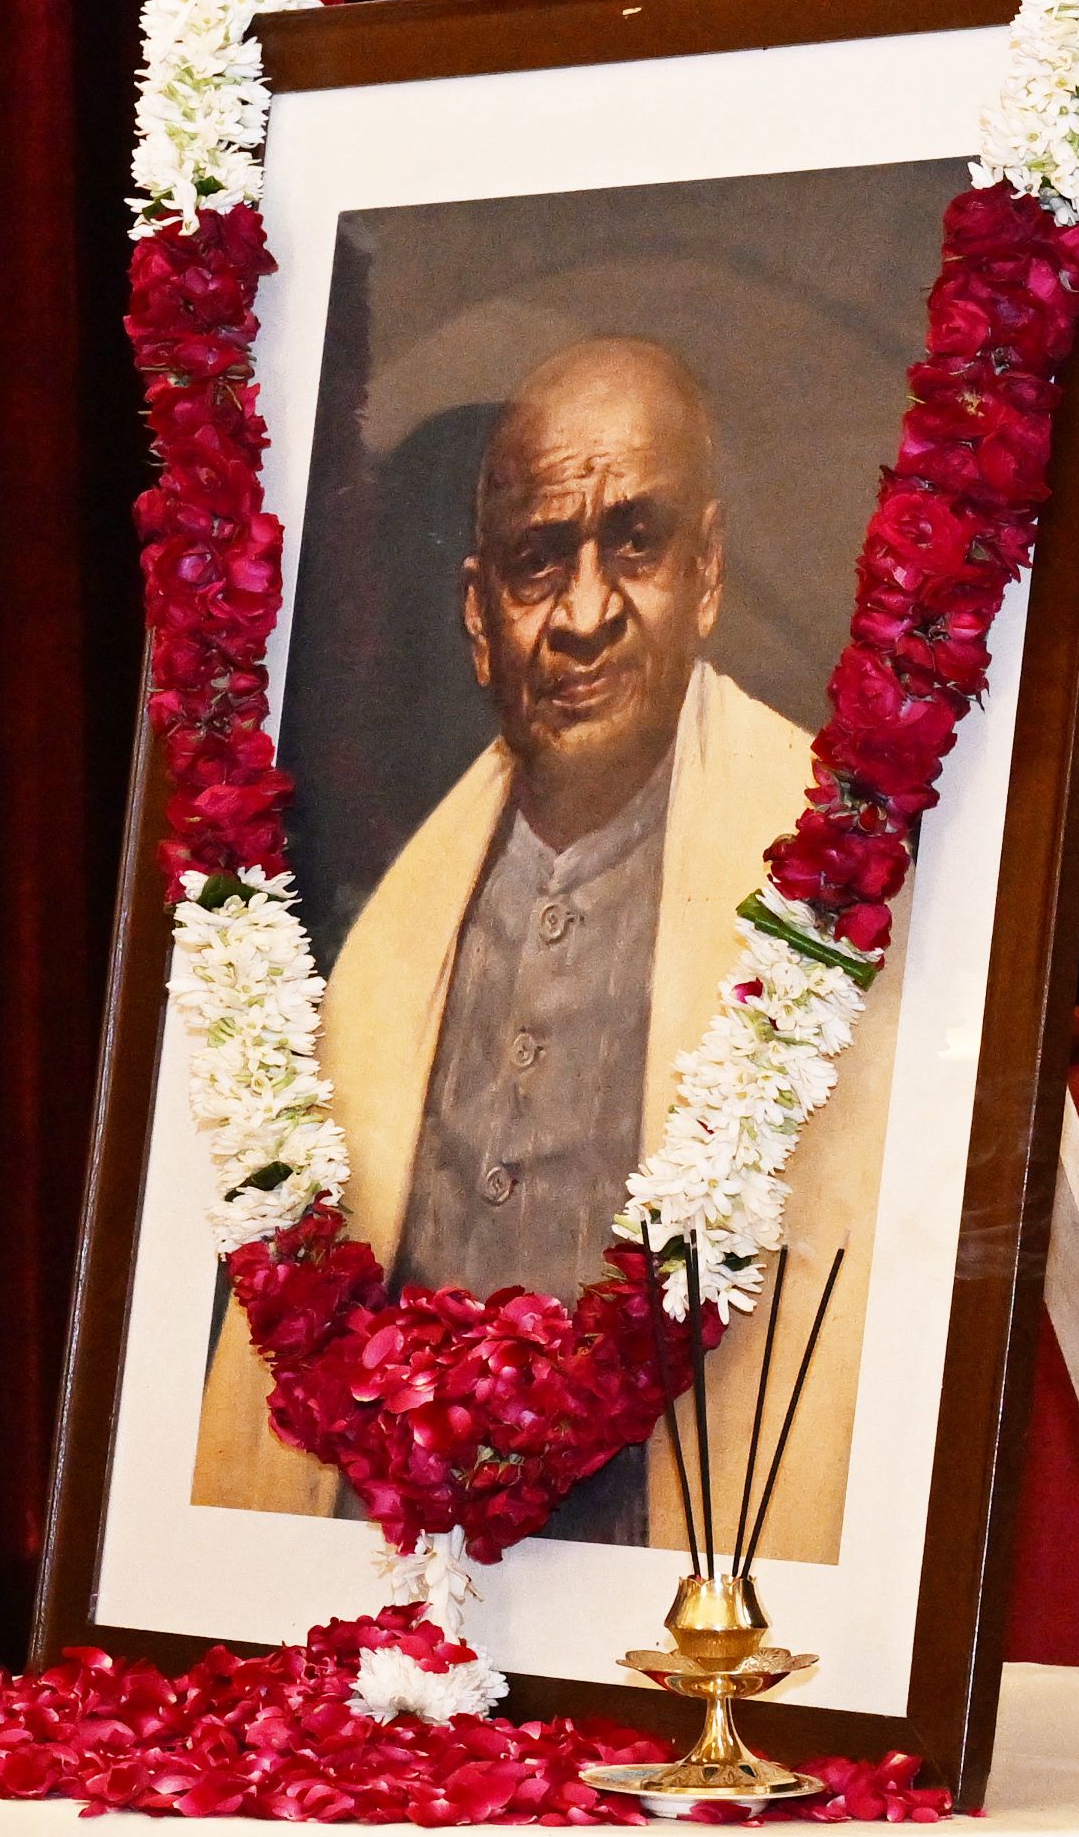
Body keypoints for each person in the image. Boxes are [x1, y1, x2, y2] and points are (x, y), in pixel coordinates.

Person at [194, 334, 898, 1557]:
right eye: (537, 563)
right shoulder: (392, 950)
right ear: (480, 617)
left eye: (635, 544)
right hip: (396, 1591)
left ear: (707, 574)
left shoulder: (835, 893)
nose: (583, 615)